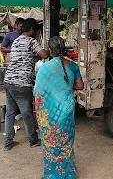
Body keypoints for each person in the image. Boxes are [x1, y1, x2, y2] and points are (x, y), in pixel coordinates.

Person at [34, 36, 84, 179]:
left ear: (50, 50)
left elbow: (38, 92)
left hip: (49, 113)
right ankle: (67, 173)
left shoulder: (44, 68)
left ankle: (53, 174)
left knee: (50, 142)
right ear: (64, 49)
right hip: (66, 111)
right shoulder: (73, 66)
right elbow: (80, 86)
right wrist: (67, 86)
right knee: (66, 142)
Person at [3, 18, 49, 151]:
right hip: (21, 83)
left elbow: (24, 56)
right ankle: (33, 140)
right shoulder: (31, 41)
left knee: (10, 112)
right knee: (26, 112)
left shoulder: (16, 40)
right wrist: (52, 50)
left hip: (9, 80)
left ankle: (7, 143)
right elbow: (44, 55)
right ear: (32, 30)